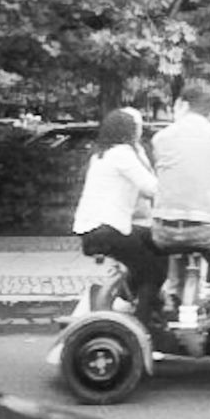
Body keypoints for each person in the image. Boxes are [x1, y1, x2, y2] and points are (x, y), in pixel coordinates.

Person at [149, 84, 210, 350]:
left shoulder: (161, 139)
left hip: (165, 229)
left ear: (182, 105)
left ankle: (173, 300)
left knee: (178, 250)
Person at [71, 108, 168, 322]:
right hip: (108, 230)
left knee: (156, 244)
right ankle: (142, 321)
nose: (140, 132)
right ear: (129, 131)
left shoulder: (101, 155)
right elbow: (151, 187)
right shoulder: (122, 154)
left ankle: (126, 300)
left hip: (95, 229)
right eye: (138, 127)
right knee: (154, 270)